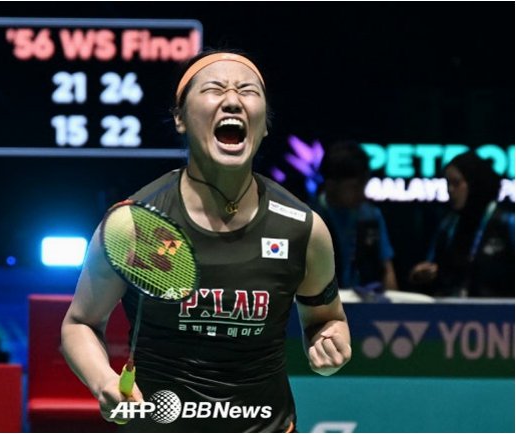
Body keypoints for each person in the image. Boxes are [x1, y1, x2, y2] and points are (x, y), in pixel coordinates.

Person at [61, 49, 351, 432]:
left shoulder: (303, 229)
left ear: (265, 125)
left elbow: (326, 318)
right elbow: (79, 323)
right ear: (180, 118)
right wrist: (104, 381)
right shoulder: (134, 224)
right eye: (215, 89)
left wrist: (330, 340)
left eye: (248, 91)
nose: (232, 101)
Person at [409, 151, 514, 298]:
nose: (450, 190)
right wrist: (422, 276)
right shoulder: (448, 226)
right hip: (453, 309)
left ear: (475, 183)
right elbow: (434, 270)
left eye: (456, 183)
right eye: (448, 183)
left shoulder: (507, 223)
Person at [311, 141, 398, 298]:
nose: (362, 193)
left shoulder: (371, 215)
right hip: (322, 304)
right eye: (354, 187)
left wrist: (391, 308)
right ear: (331, 184)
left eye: (364, 185)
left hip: (366, 303)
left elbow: (386, 269)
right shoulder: (309, 217)